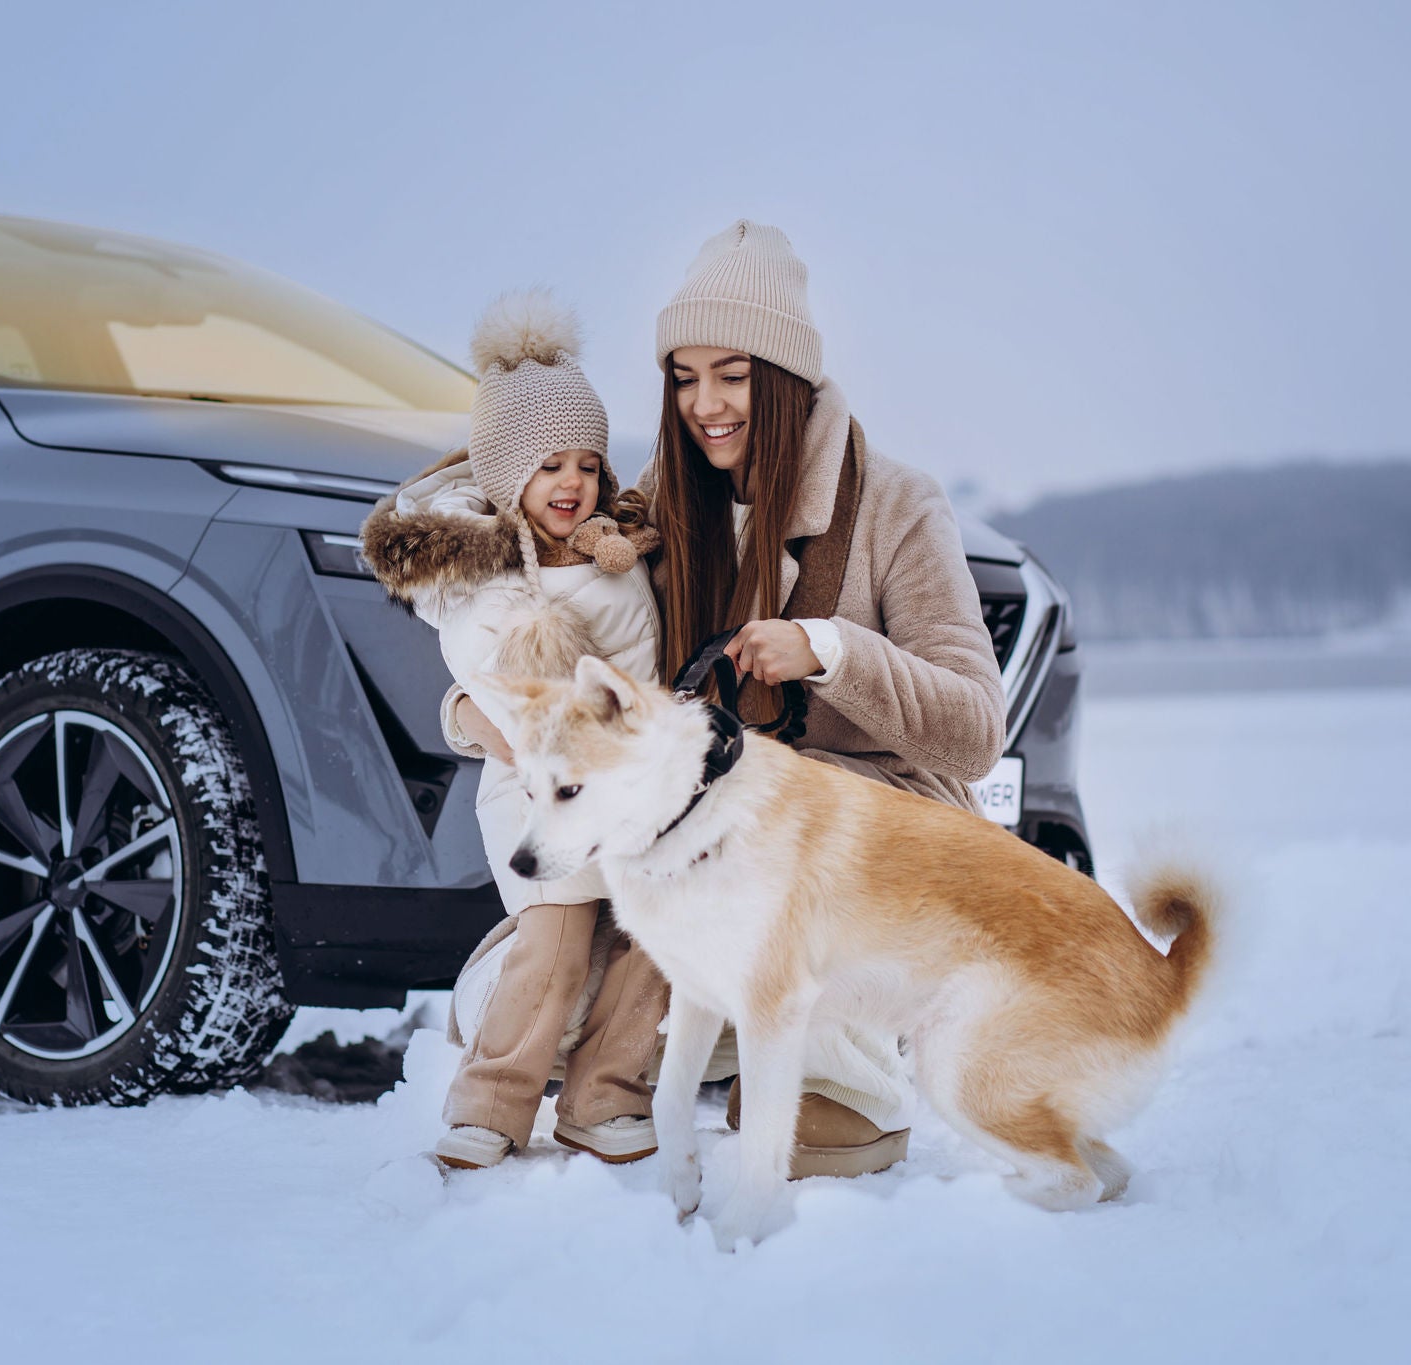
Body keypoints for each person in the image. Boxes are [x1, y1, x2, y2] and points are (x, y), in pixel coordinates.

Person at [457, 223, 1007, 1178]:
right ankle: (710, 1037)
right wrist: (476, 721)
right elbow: (562, 650)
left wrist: (831, 650)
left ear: (785, 379)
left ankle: (856, 1080)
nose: (705, 404)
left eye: (733, 375)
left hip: (864, 840)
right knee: (499, 1000)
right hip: (700, 842)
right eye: (683, 377)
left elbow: (975, 732)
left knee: (759, 832)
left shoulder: (897, 506)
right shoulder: (657, 508)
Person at [361, 291, 669, 1171]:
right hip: (537, 789)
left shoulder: (621, 559)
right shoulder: (484, 582)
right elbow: (493, 681)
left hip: (631, 782)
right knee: (559, 937)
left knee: (651, 932)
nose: (570, 483)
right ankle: (493, 1097)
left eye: (585, 464)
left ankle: (606, 1093)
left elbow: (644, 667)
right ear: (505, 479)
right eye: (546, 468)